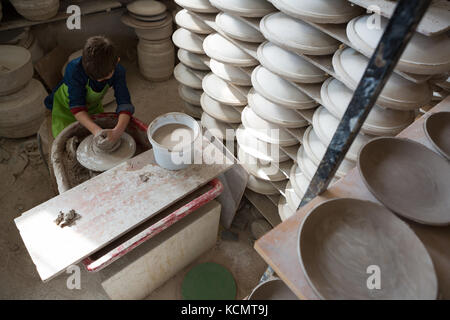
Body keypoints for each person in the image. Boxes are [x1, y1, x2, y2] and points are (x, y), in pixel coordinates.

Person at [45, 36, 135, 142]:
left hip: (92, 105)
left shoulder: (119, 71)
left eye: (104, 77)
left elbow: (124, 103)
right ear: (84, 64)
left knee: (94, 130)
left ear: (117, 62)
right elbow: (77, 107)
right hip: (65, 107)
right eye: (95, 78)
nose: (99, 81)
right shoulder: (74, 69)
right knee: (66, 140)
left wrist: (117, 132)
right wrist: (97, 131)